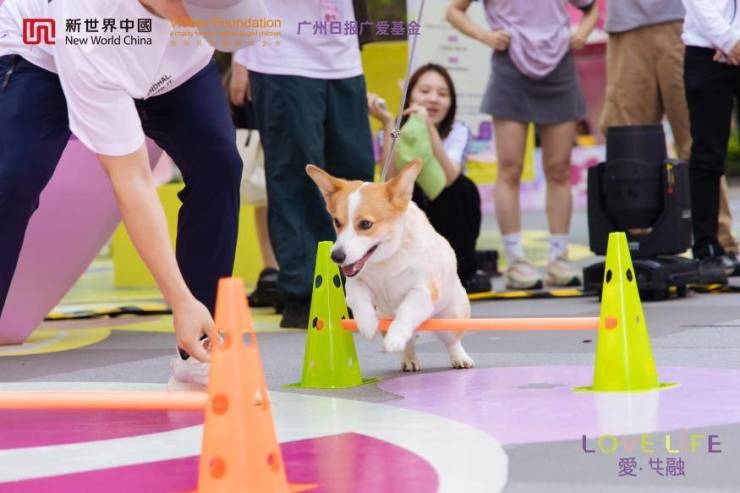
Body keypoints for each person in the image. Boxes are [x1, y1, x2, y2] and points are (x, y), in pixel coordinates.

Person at [0, 0, 251, 388]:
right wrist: (178, 297)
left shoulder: (189, 21)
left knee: (218, 166)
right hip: (46, 50)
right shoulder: (87, 28)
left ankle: (200, 346)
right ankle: (190, 313)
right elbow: (131, 180)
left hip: (174, 67)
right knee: (12, 181)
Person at [232, 1, 375, 329]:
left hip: (343, 56)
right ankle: (304, 293)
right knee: (297, 179)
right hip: (281, 55)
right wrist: (241, 56)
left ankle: (354, 287)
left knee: (354, 174)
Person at [447, 0, 600, 290]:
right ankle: (516, 260)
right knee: (510, 168)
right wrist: (485, 36)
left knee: (558, 169)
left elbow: (591, 8)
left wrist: (581, 34)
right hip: (511, 65)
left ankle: (559, 258)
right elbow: (454, 10)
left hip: (559, 65)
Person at [601, 0, 739, 276]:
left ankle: (720, 241)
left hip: (684, 24)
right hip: (628, 27)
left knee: (697, 142)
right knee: (631, 141)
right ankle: (634, 248)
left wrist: (726, 36)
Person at [369, 63, 492, 293]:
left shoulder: (458, 130)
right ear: (410, 96)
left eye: (442, 94)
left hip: (445, 209)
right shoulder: (396, 130)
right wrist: (388, 124)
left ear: (451, 102)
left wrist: (429, 128)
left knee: (464, 188)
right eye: (424, 91)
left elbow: (450, 177)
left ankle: (462, 270)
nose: (433, 99)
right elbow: (389, 179)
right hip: (410, 210)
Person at [682, 0, 740, 277]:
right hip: (705, 51)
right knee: (707, 153)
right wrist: (728, 41)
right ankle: (706, 248)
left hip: (730, 43)